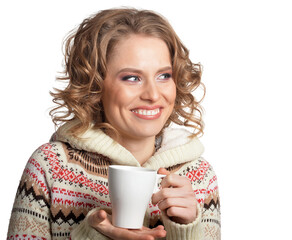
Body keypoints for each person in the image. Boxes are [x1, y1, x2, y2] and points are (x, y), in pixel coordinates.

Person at [7, 8, 220, 240]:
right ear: (95, 85)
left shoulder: (199, 177)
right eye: (132, 78)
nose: (153, 94)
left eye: (164, 76)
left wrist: (186, 231)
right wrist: (91, 235)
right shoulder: (50, 167)